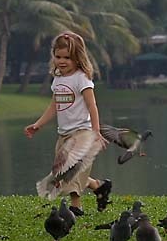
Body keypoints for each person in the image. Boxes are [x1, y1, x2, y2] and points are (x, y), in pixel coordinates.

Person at [25, 31, 112, 215]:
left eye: (67, 58)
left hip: (81, 133)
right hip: (63, 134)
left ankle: (76, 208)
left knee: (70, 171)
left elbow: (92, 105)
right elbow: (54, 106)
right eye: (58, 57)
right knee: (63, 174)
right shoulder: (58, 79)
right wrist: (38, 125)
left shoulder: (82, 78)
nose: (62, 61)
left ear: (78, 58)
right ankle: (99, 186)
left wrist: (96, 132)